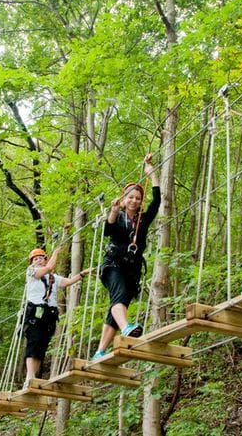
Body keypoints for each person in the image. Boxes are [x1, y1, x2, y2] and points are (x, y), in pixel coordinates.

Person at [91, 154, 160, 361]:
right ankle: (127, 328)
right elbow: (107, 229)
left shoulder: (143, 219)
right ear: (124, 199)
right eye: (130, 197)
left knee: (117, 307)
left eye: (138, 198)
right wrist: (112, 211)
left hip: (132, 269)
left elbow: (157, 200)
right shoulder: (118, 216)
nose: (134, 200)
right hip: (113, 265)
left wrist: (151, 171)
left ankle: (100, 351)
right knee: (119, 297)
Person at [22, 246, 93, 388]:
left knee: (41, 347)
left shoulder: (53, 278)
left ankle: (33, 378)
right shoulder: (31, 271)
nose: (37, 261)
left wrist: (82, 274)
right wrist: (56, 253)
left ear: (45, 259)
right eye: (35, 259)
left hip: (49, 314)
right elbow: (48, 268)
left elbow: (67, 282)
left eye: (40, 258)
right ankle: (29, 377)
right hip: (35, 312)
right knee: (33, 343)